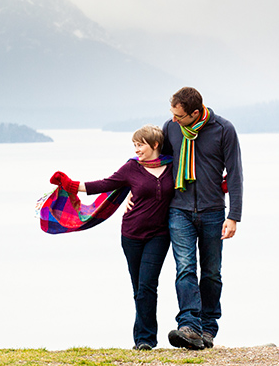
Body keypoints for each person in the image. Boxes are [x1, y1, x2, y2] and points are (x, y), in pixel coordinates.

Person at [49, 125, 174, 351]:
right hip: (131, 235)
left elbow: (194, 182)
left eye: (141, 144)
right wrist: (72, 185)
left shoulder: (173, 166)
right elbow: (105, 184)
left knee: (147, 285)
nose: (137, 149)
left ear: (155, 144)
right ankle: (142, 340)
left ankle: (146, 339)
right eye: (135, 145)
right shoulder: (131, 168)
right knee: (138, 287)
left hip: (159, 235)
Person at [162, 86, 243, 351]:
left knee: (211, 273)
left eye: (180, 116)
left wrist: (234, 216)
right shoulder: (171, 128)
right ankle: (188, 325)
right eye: (172, 114)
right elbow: (157, 164)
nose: (174, 120)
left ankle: (207, 328)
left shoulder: (223, 129)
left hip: (213, 211)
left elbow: (235, 174)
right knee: (185, 267)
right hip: (179, 209)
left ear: (195, 113)